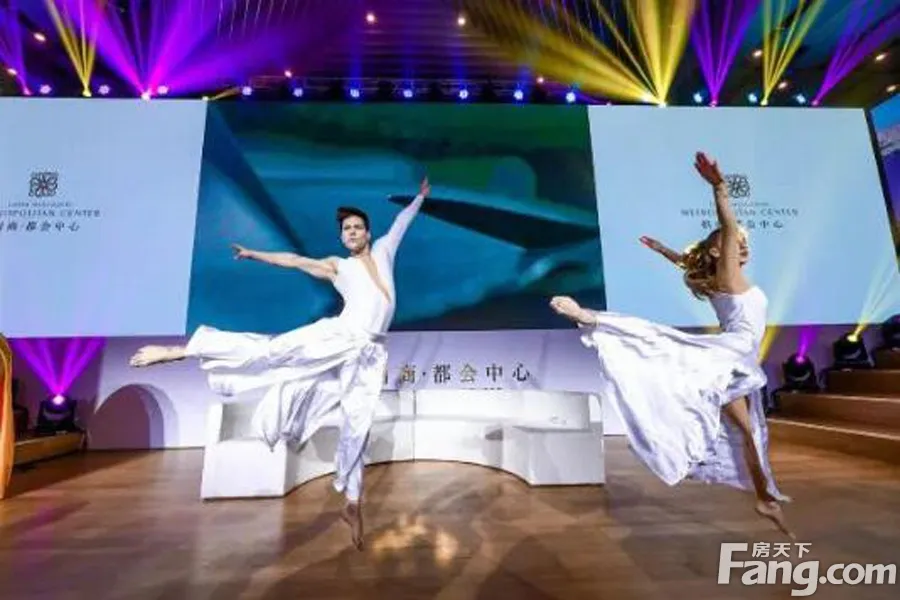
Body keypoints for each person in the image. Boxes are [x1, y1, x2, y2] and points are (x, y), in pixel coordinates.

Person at [130, 178, 432, 550]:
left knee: (358, 426)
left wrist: (419, 198)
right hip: (340, 334)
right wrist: (255, 254)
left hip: (370, 353)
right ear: (342, 239)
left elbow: (402, 221)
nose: (352, 232)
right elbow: (294, 261)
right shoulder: (337, 266)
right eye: (346, 229)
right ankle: (182, 350)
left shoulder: (385, 250)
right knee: (274, 352)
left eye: (357, 227)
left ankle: (352, 503)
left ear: (368, 232)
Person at [549, 153, 793, 538]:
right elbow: (728, 226)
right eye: (733, 243)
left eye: (743, 243)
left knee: (749, 433)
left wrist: (665, 251)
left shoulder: (714, 280)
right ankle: (591, 318)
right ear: (720, 251)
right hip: (728, 358)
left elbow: (689, 264)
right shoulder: (729, 277)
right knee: (657, 341)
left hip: (733, 365)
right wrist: (719, 187)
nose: (741, 244)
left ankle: (764, 497)